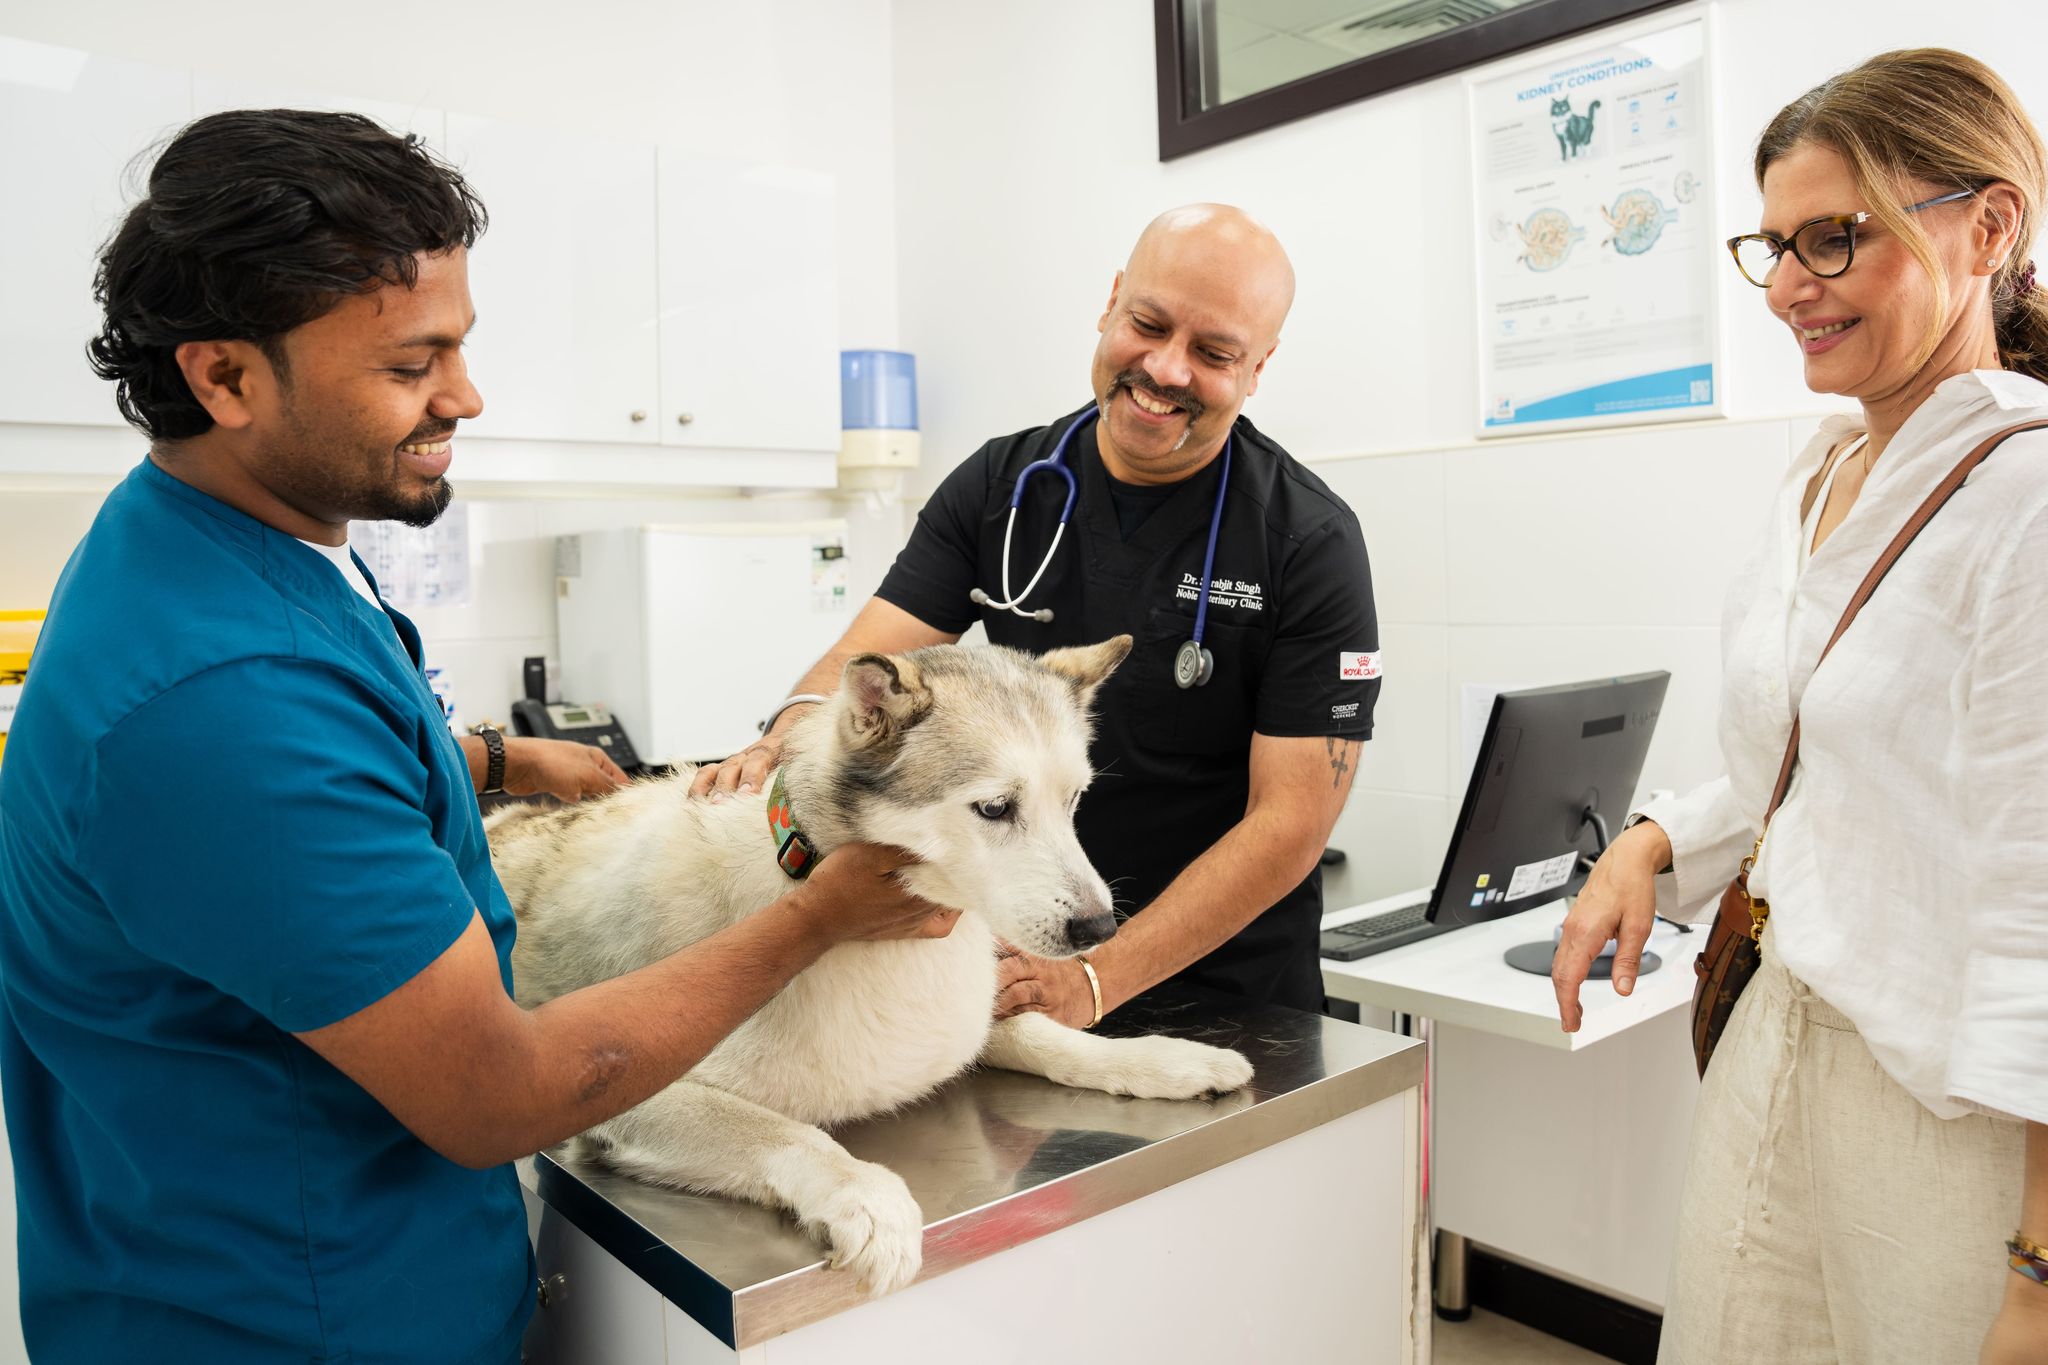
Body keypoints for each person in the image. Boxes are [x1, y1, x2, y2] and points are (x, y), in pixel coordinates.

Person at [0, 109, 955, 1365]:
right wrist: (813, 920)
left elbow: (315, 778)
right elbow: (500, 1096)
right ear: (224, 377)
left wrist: (499, 762)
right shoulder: (224, 701)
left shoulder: (190, 546)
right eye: (411, 364)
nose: (465, 393)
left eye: (460, 345)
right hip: (297, 1325)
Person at [1550, 50, 2048, 1364]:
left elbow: (2042, 902)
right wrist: (1656, 838)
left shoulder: (2027, 495)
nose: (1786, 288)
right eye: (1772, 245)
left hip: (1947, 1109)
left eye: (1834, 238)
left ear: (1990, 227)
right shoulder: (1825, 470)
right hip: (1778, 1025)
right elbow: (1820, 757)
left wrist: (2042, 1271)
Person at [695, 204, 1381, 1023]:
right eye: (1149, 323)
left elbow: (1293, 823)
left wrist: (1096, 978)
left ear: (1259, 366)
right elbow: (866, 661)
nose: (1165, 369)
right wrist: (781, 735)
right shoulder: (1002, 486)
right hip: (1019, 967)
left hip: (1230, 990)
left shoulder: (1307, 539)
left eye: (1213, 352)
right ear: (1111, 302)